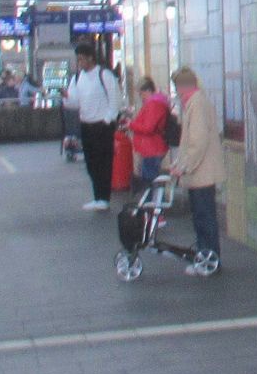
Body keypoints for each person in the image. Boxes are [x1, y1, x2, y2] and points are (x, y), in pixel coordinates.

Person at [166, 66, 225, 275]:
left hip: (201, 173)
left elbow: (197, 142)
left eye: (177, 86)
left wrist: (183, 166)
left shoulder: (196, 104)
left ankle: (208, 260)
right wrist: (179, 164)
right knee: (203, 217)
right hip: (200, 171)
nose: (177, 91)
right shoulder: (195, 102)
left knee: (203, 218)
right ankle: (206, 258)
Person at [68, 42, 127, 210]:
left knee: (103, 162)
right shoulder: (77, 78)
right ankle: (97, 196)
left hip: (102, 125)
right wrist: (66, 97)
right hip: (86, 124)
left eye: (81, 59)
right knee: (91, 162)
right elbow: (74, 102)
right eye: (78, 59)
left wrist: (107, 120)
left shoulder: (104, 74)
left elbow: (115, 100)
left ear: (90, 58)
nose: (79, 63)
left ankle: (104, 198)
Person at [123, 77, 172, 208]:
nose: (141, 97)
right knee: (151, 179)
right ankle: (153, 208)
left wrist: (131, 125)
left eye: (141, 93)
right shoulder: (157, 103)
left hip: (152, 148)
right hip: (152, 147)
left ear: (147, 91)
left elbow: (148, 127)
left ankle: (152, 210)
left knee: (149, 181)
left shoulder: (154, 104)